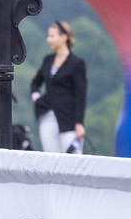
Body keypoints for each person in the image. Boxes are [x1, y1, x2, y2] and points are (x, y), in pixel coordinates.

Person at [30, 20, 88, 154]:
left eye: (52, 36)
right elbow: (35, 82)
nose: (48, 39)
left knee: (72, 161)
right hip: (47, 114)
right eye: (48, 36)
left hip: (68, 118)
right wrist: (36, 96)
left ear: (64, 37)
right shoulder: (48, 60)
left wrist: (79, 123)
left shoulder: (77, 63)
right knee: (51, 158)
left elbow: (81, 95)